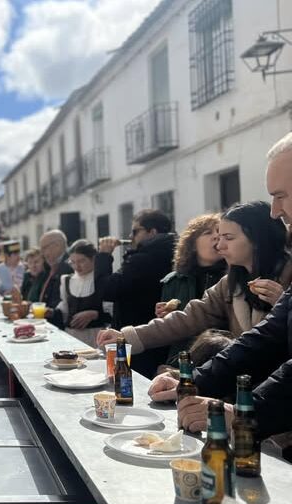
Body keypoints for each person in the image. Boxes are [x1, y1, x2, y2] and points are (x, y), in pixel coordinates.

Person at [148, 133, 292, 441]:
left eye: (282, 196)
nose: (275, 211)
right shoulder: (231, 282)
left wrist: (244, 414)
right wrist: (193, 382)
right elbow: (265, 337)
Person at [98, 202, 291, 369]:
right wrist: (127, 336)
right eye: (218, 236)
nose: (220, 245)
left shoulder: (287, 277)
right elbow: (187, 319)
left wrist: (285, 306)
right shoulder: (229, 284)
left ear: (257, 239)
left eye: (228, 238)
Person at [97, 209, 176, 376]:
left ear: (152, 232)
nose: (131, 237)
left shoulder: (143, 259)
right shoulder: (173, 253)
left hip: (137, 340)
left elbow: (107, 289)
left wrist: (104, 256)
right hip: (159, 337)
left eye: (135, 231)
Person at [155, 213, 226, 364]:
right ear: (192, 245)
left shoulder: (233, 277)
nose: (216, 236)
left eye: (220, 232)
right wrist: (165, 315)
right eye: (208, 233)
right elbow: (168, 331)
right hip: (181, 361)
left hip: (218, 359)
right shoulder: (174, 281)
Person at [51, 239, 111, 346]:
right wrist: (50, 312)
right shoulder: (66, 280)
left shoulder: (101, 280)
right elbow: (64, 311)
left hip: (96, 338)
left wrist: (95, 314)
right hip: (72, 338)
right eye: (73, 262)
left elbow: (113, 313)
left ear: (93, 259)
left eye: (81, 261)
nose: (76, 267)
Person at [37, 229, 73, 309]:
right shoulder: (48, 266)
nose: (42, 253)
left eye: (44, 248)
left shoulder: (70, 266)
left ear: (57, 245)